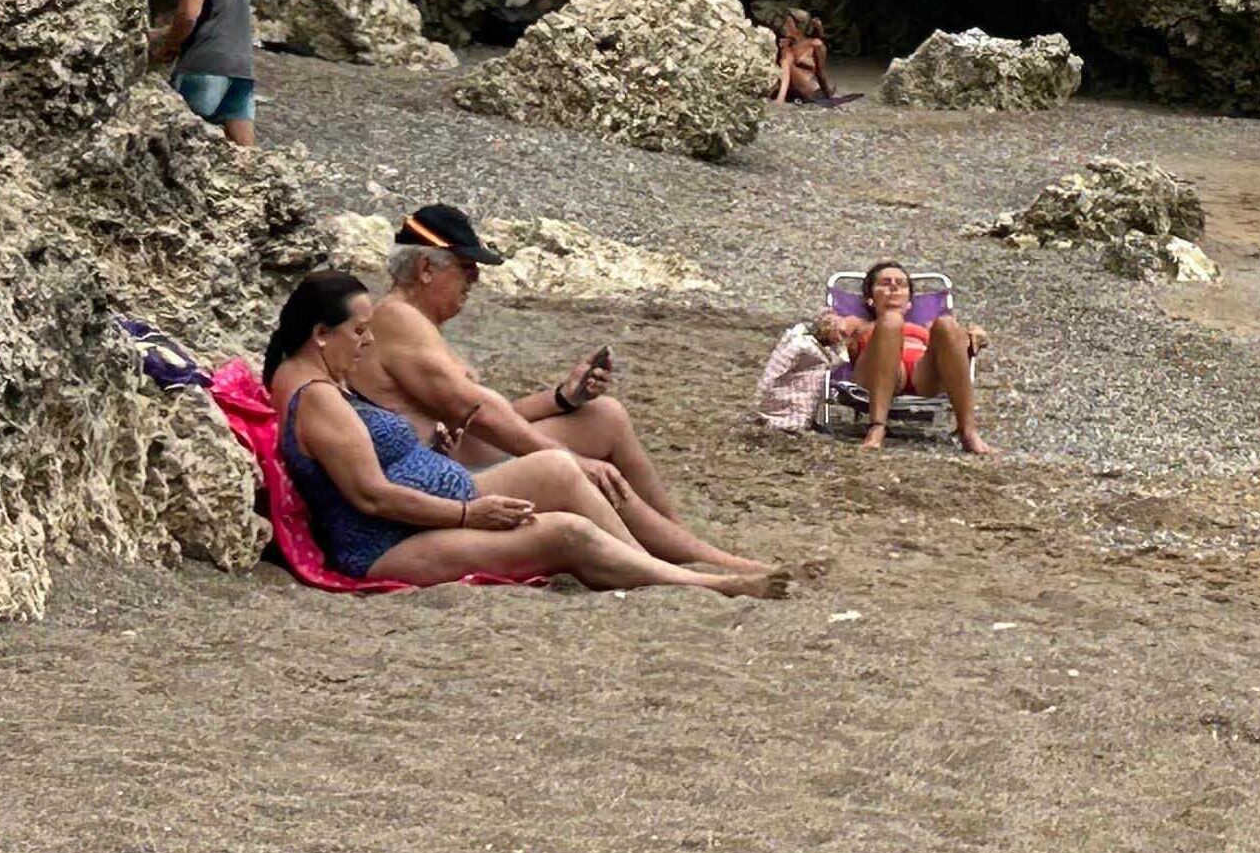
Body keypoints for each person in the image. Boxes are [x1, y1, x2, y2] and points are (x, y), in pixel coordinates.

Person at [350, 204, 789, 585]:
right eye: (466, 269)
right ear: (427, 269)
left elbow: (477, 418)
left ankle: (684, 545)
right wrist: (571, 457)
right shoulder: (398, 321)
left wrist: (560, 398)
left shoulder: (414, 324)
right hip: (434, 482)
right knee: (562, 467)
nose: (476, 280)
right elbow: (479, 413)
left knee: (605, 417)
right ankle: (668, 565)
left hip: (454, 458)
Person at [262, 269, 769, 595]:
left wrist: (560, 401)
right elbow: (372, 496)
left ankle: (688, 565)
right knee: (569, 529)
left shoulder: (317, 375)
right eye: (357, 332)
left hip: (437, 498)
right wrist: (467, 513)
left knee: (560, 467)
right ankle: (694, 579)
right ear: (320, 334)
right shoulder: (321, 396)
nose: (367, 341)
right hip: (389, 540)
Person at [839, 259, 995, 454]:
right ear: (869, 298)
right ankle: (877, 427)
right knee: (891, 320)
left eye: (901, 284)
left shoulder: (928, 327)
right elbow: (828, 333)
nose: (894, 286)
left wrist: (975, 334)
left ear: (910, 302)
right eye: (885, 283)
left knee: (947, 324)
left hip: (923, 376)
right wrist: (833, 327)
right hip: (876, 374)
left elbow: (957, 343)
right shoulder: (857, 323)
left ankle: (968, 431)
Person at [148, 0, 259, 146]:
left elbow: (189, 14)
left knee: (184, 145)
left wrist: (169, 46)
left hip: (204, 66)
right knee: (246, 151)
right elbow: (223, 12)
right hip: (242, 67)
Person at [754, 313, 851, 433]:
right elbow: (776, 367)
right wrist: (762, 394)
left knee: (804, 410)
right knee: (788, 417)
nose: (841, 339)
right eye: (840, 334)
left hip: (807, 391)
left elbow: (836, 362)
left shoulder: (825, 350)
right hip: (786, 393)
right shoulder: (799, 343)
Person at [771, 10, 855, 106]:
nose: (784, 26)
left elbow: (821, 73)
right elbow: (783, 69)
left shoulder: (815, 45)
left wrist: (828, 93)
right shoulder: (788, 45)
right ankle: (780, 96)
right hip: (793, 93)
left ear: (795, 25)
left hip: (810, 92)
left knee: (787, 56)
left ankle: (781, 97)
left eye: (787, 23)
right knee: (786, 55)